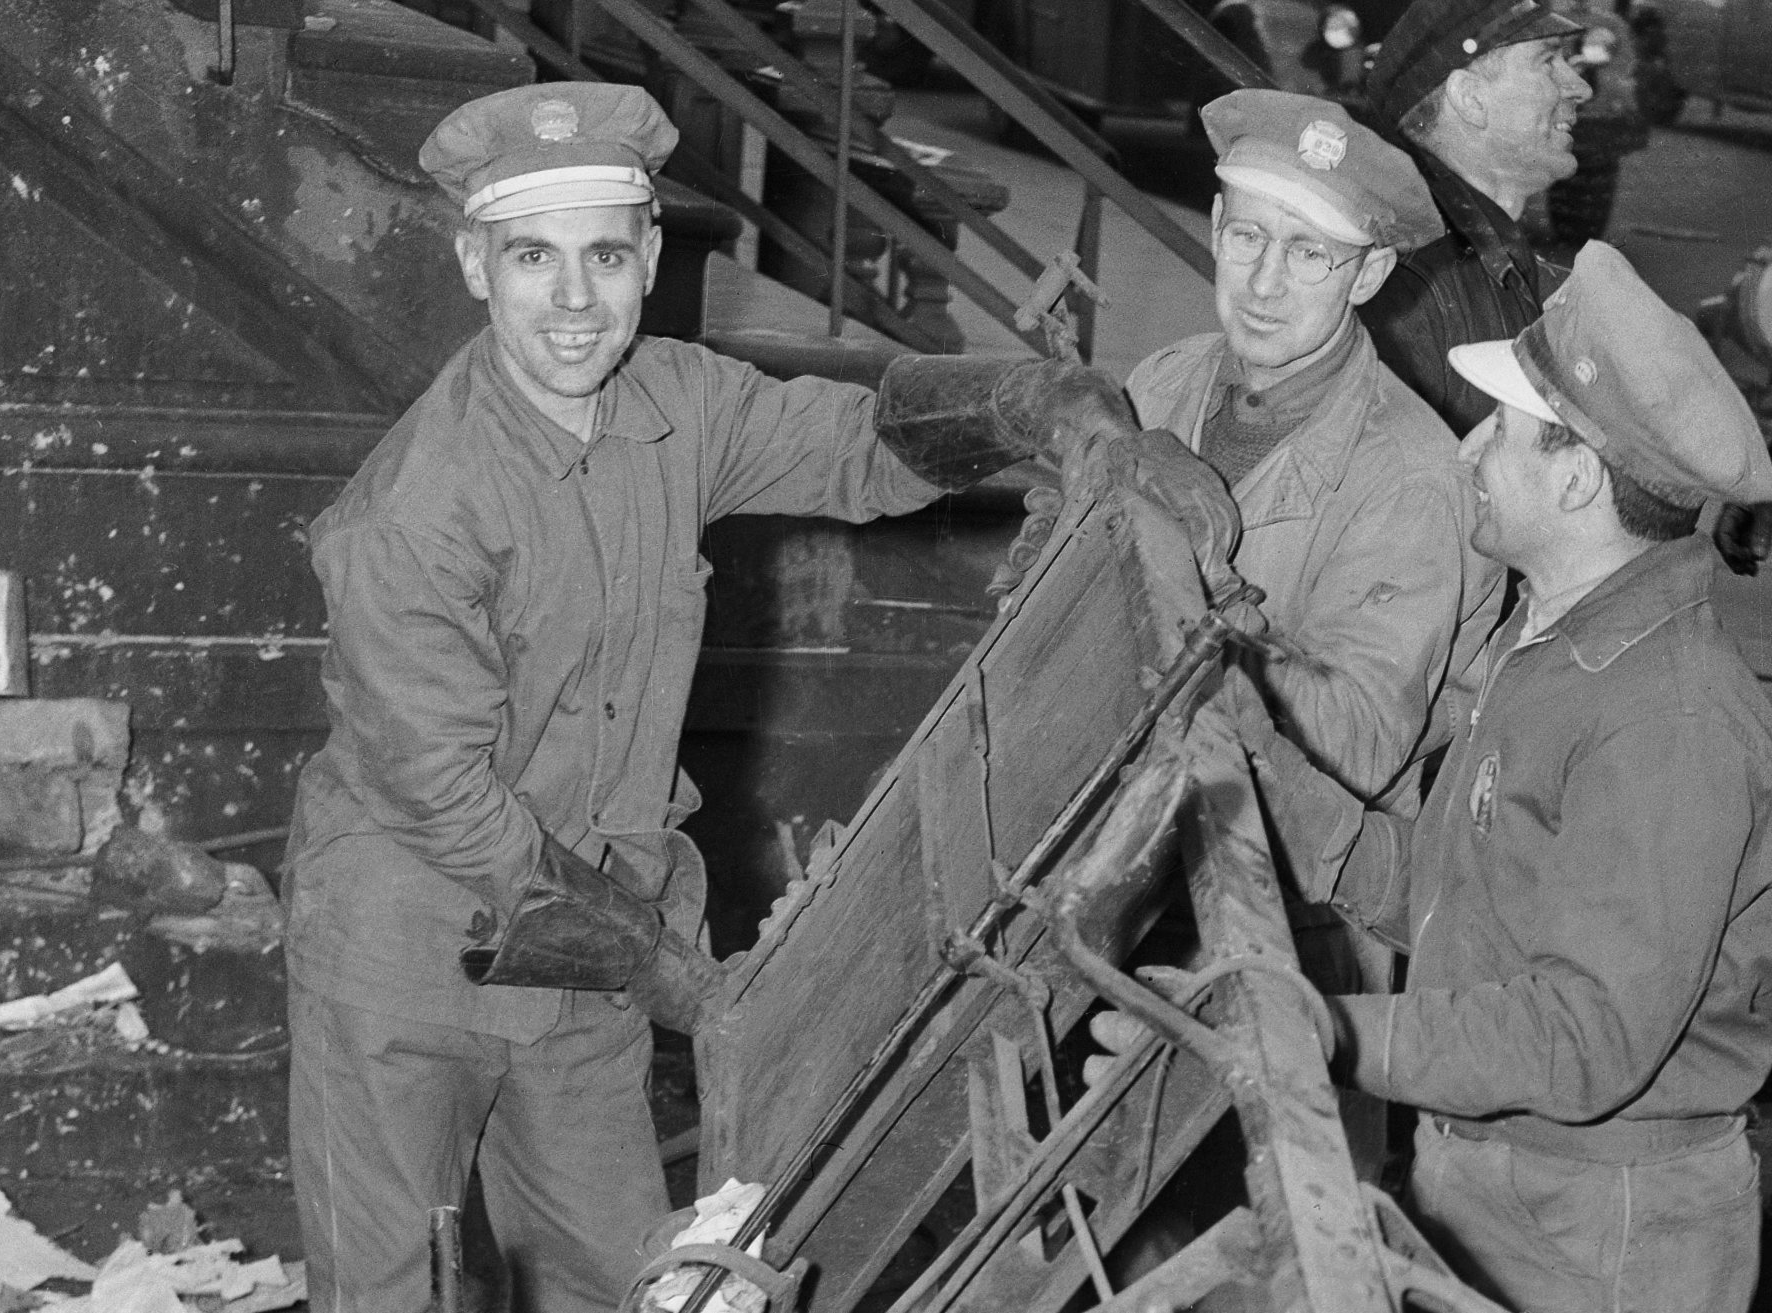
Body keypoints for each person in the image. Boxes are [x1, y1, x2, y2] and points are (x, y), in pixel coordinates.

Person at [281, 81, 1223, 1313]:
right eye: (533, 258)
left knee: (636, 1282)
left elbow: (859, 447)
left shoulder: (678, 401)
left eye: (605, 256)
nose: (575, 302)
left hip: (590, 951)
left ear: (652, 257)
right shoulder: (416, 511)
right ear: (474, 263)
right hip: (409, 948)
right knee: (398, 1287)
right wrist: (672, 976)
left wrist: (1038, 405)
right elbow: (450, 802)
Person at [1247, 240, 1772, 1311]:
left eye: (1499, 430)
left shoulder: (1665, 722)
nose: (1467, 449)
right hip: (1503, 1175)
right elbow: (1475, 897)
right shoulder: (1557, 642)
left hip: (1597, 1225)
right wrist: (1274, 777)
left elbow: (1583, 1032)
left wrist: (1331, 1031)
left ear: (1578, 476)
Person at [1128, 89, 1501, 825]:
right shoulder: (1159, 381)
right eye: (1248, 238)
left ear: (1368, 275)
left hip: (1281, 881)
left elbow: (1357, 741)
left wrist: (1195, 602)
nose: (1265, 284)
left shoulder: (1413, 481)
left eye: (1308, 253)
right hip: (1130, 802)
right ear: (1212, 229)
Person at [1357, 0, 1590, 435]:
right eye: (1547, 61)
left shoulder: (1485, 255)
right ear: (1470, 99)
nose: (1579, 87)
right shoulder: (1411, 287)